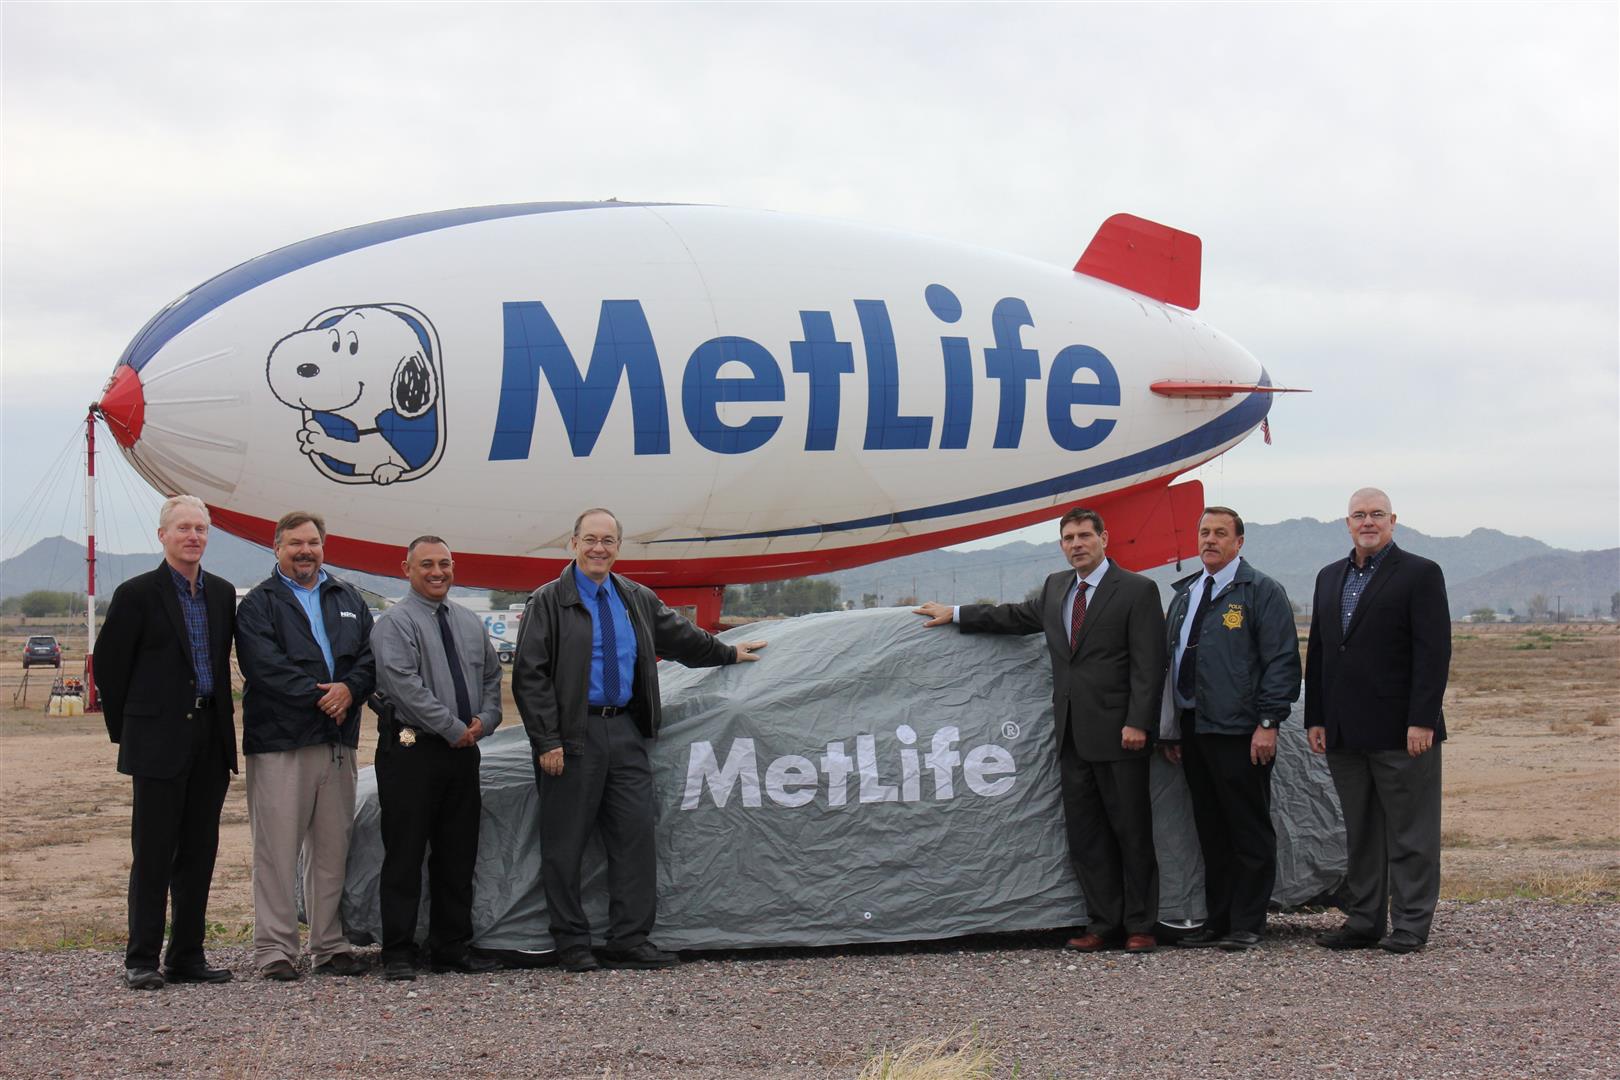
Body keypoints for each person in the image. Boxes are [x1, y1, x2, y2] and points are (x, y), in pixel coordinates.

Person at [513, 508, 766, 972]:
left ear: (618, 547)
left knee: (634, 836)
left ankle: (628, 938)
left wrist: (728, 651)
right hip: (572, 735)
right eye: (590, 539)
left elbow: (684, 638)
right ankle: (571, 941)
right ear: (572, 544)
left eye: (608, 541)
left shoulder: (635, 598)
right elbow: (530, 676)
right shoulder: (548, 601)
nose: (598, 549)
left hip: (625, 731)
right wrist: (546, 740)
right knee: (564, 843)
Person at [915, 506, 1167, 953]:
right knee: (1086, 836)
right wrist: (955, 613)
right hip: (1071, 735)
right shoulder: (1056, 588)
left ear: (1104, 538)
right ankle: (1103, 923)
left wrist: (1138, 722)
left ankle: (1140, 925)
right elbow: (1014, 618)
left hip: (1121, 735)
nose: (1076, 544)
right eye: (1068, 538)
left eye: (1084, 536)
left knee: (1131, 832)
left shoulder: (1136, 590)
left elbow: (1150, 664)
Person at [93, 495, 238, 990]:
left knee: (199, 853)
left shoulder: (220, 594)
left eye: (200, 528)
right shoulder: (137, 593)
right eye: (183, 528)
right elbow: (110, 667)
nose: (193, 536)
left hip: (209, 739)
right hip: (157, 740)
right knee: (154, 853)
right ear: (162, 536)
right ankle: (142, 959)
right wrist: (131, 731)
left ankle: (187, 956)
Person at [1305, 487, 1450, 954]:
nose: (1368, 522)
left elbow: (1433, 652)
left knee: (1411, 832)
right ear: (1347, 523)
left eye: (1377, 515)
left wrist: (1422, 719)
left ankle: (1410, 924)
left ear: (1393, 521)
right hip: (1345, 731)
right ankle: (1364, 920)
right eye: (1359, 515)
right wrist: (1317, 717)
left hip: (1401, 730)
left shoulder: (1420, 574)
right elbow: (1323, 653)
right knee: (1362, 832)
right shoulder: (1329, 577)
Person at [235, 511, 375, 980]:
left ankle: (329, 944)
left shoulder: (349, 597)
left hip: (337, 742)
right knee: (277, 850)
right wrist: (327, 696)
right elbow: (264, 668)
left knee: (332, 849)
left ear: (323, 546)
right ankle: (275, 949)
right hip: (281, 742)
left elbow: (369, 658)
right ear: (277, 548)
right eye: (294, 543)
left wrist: (350, 690)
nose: (305, 551)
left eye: (312, 542)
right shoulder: (259, 604)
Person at [1161, 507, 1300, 951]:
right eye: (1204, 532)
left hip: (1241, 731)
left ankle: (1248, 922)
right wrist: (1174, 730)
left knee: (1248, 828)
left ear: (1240, 542)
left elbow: (1281, 662)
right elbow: (1172, 662)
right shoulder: (1186, 593)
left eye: (1221, 533)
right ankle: (1217, 920)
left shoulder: (1261, 591)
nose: (1210, 540)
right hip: (1194, 727)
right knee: (1211, 830)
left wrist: (1268, 722)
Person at [370, 536, 503, 981]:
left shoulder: (469, 622)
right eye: (426, 564)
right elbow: (404, 686)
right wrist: (453, 729)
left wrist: (486, 719)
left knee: (457, 853)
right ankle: (399, 951)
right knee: (405, 853)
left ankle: (451, 946)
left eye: (444, 563)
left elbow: (490, 675)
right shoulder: (395, 623)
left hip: (464, 752)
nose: (437, 572)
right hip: (412, 751)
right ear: (405, 568)